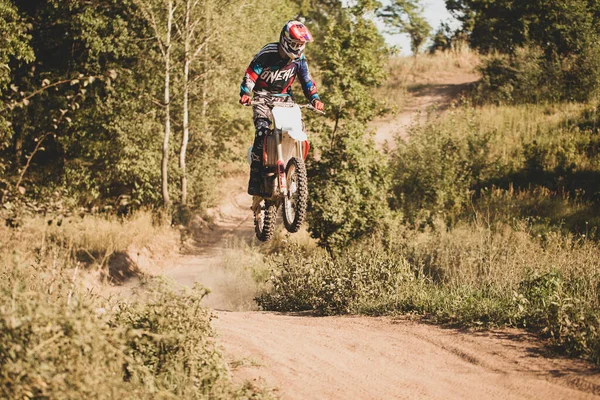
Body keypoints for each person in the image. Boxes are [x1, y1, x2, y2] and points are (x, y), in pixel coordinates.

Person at [239, 20, 325, 196]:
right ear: (286, 40)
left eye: (301, 44)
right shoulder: (267, 53)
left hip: (284, 97)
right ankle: (255, 177)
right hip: (262, 95)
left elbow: (307, 80)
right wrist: (246, 93)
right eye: (296, 43)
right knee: (262, 131)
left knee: (298, 129)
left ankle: (295, 170)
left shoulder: (300, 59)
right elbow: (251, 75)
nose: (299, 47)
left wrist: (314, 98)